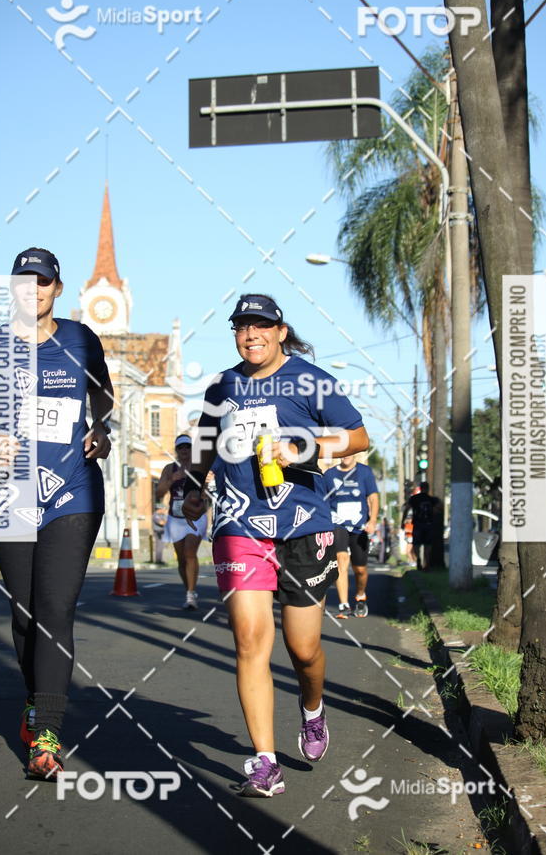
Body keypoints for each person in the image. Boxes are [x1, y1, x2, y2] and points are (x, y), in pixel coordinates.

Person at [182, 293, 368, 797]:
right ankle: (265, 762)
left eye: (262, 326)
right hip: (240, 527)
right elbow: (200, 447)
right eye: (242, 327)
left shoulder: (308, 379)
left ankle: (312, 710)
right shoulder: (223, 386)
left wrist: (301, 448)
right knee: (249, 642)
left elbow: (357, 436)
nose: (251, 334)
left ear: (281, 332)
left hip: (304, 526)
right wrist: (193, 488)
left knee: (303, 649)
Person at [0, 248, 113, 780]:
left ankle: (47, 732)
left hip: (72, 488)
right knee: (27, 612)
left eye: (43, 283)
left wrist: (100, 430)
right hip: (9, 492)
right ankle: (35, 698)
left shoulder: (79, 340)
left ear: (58, 288)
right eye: (24, 283)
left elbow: (104, 394)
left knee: (55, 607)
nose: (34, 291)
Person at [324, 455, 378, 619]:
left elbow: (373, 498)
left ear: (354, 453)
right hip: (338, 524)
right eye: (343, 452)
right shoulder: (329, 475)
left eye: (350, 452)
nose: (346, 455)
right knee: (341, 559)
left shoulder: (364, 472)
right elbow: (323, 500)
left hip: (359, 526)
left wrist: (373, 520)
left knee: (360, 569)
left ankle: (360, 596)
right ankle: (344, 605)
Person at [157, 434, 207, 609]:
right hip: (175, 518)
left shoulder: (199, 467)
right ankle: (189, 590)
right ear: (176, 450)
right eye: (181, 448)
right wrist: (173, 479)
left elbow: (208, 490)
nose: (184, 450)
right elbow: (159, 492)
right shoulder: (170, 468)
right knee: (181, 559)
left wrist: (203, 497)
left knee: (189, 553)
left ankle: (191, 594)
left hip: (195, 516)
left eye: (187, 447)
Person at [402, 481, 438, 570]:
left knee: (416, 544)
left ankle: (418, 559)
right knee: (427, 545)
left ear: (420, 488)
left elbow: (407, 509)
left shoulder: (414, 498)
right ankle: (426, 563)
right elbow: (437, 509)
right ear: (428, 489)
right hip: (428, 524)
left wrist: (403, 521)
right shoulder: (431, 499)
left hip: (418, 524)